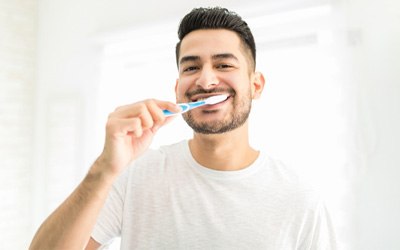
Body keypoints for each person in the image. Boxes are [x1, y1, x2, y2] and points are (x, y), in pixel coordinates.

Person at [30, 7, 336, 250]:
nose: (205, 81)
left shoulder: (300, 198)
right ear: (178, 89)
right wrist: (104, 169)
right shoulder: (135, 176)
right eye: (191, 67)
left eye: (224, 65)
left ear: (256, 85)